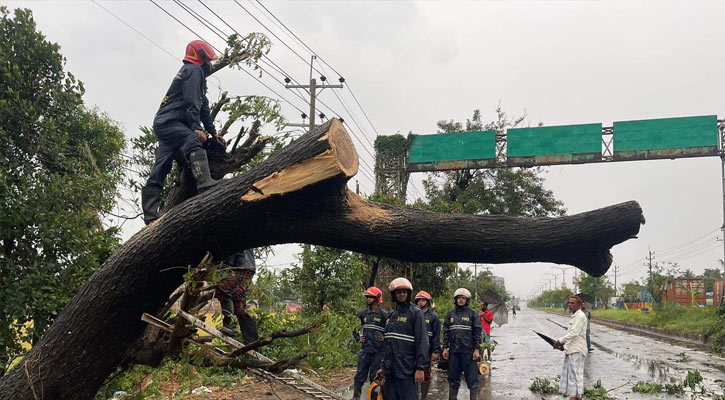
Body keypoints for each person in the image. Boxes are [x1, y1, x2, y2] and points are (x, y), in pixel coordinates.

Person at [141, 39, 227, 225]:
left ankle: (150, 215)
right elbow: (191, 102)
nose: (211, 64)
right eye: (209, 61)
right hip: (171, 122)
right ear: (201, 58)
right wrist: (196, 128)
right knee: (193, 141)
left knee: (161, 167)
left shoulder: (195, 76)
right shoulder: (193, 71)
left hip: (165, 124)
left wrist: (213, 133)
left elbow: (203, 106)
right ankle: (205, 185)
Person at [375, 278, 429, 400]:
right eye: (399, 292)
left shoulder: (415, 313)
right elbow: (388, 344)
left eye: (405, 292)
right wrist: (383, 366)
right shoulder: (391, 315)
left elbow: (422, 342)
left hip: (407, 371)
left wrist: (420, 368)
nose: (402, 294)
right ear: (393, 294)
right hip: (391, 372)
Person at [443, 288, 482, 400]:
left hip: (469, 353)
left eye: (463, 298)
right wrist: (445, 348)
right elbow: (446, 332)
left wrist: (476, 349)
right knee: (453, 378)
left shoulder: (472, 314)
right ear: (455, 299)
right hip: (454, 352)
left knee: (472, 379)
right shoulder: (450, 313)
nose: (461, 300)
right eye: (459, 298)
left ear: (467, 300)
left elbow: (477, 333)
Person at [350, 287, 387, 400]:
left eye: (371, 297)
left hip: (378, 351)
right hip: (365, 350)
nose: (368, 299)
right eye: (367, 297)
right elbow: (353, 326)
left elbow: (391, 328)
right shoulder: (363, 313)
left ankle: (374, 397)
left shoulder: (384, 314)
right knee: (360, 375)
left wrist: (385, 337)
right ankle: (356, 397)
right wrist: (358, 338)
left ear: (377, 298)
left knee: (374, 376)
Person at [217, 249, 258, 343]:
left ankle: (229, 323)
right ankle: (252, 342)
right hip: (245, 266)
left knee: (222, 287)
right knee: (239, 307)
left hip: (239, 266)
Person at [553, 295, 588, 400]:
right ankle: (576, 396)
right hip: (571, 349)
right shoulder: (574, 316)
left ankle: (573, 397)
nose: (570, 305)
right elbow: (570, 334)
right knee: (571, 374)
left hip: (577, 349)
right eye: (569, 303)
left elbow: (574, 332)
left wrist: (560, 341)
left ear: (579, 305)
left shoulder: (580, 316)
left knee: (574, 375)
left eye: (573, 303)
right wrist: (564, 345)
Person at [414, 290, 441, 400]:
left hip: (427, 350)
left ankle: (423, 397)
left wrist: (435, 351)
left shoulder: (433, 317)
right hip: (413, 349)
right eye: (419, 300)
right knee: (412, 373)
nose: (421, 302)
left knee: (426, 374)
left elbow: (436, 335)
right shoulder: (413, 313)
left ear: (428, 302)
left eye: (423, 300)